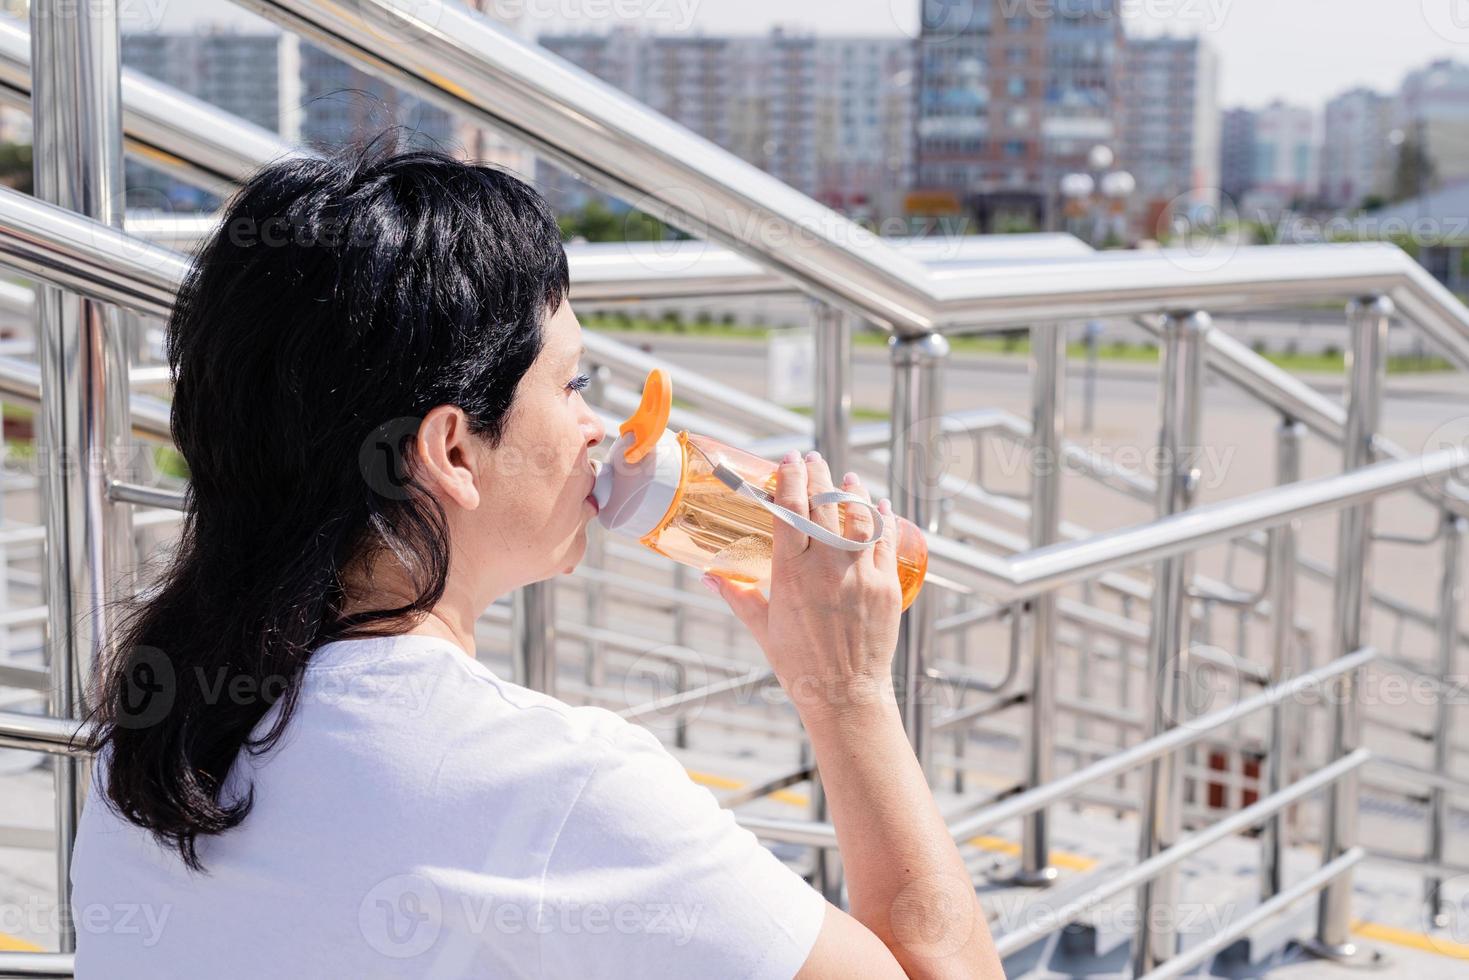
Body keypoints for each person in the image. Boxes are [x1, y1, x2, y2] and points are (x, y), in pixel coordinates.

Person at [71, 137, 1004, 979]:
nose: (597, 430)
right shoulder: (554, 785)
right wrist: (844, 690)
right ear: (451, 452)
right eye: (573, 384)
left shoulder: (148, 742)